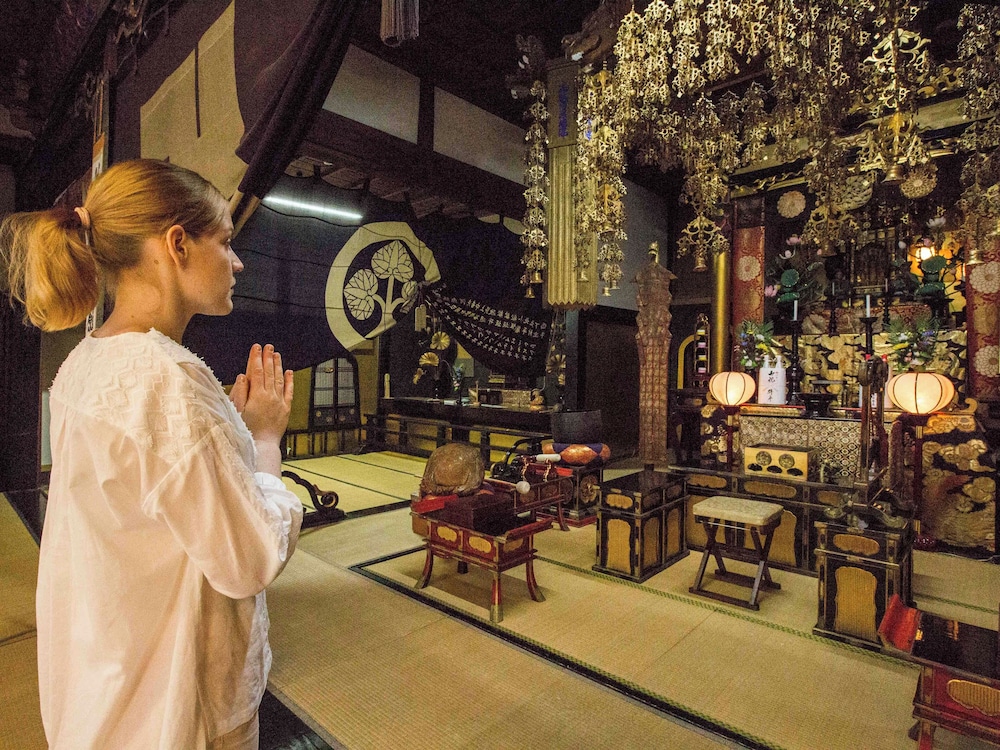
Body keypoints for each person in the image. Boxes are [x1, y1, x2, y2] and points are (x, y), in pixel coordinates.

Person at [1, 159, 304, 749]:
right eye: (225, 242)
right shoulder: (167, 378)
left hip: (106, 683)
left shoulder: (84, 361)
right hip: (171, 706)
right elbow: (249, 558)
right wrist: (265, 439)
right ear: (177, 245)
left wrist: (229, 435)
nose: (237, 263)